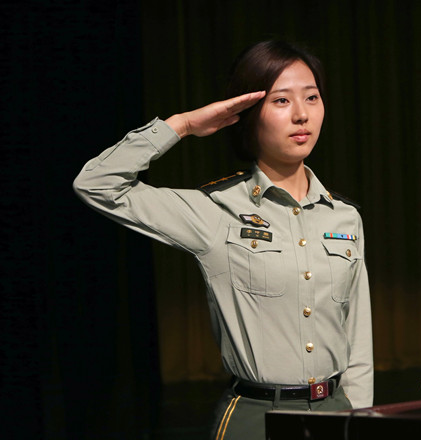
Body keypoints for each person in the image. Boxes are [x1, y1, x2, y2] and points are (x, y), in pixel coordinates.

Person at [73, 40, 373, 439]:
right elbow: (96, 184)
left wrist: (361, 418)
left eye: (312, 97)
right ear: (249, 113)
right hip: (255, 419)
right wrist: (181, 125)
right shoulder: (215, 211)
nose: (302, 114)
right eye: (281, 101)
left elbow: (358, 338)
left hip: (337, 413)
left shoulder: (344, 217)